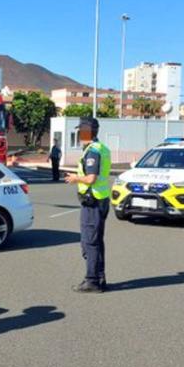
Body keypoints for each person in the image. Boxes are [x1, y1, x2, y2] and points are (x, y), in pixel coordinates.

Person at [64, 117, 111, 293]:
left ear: (86, 131)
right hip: (101, 199)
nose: (79, 135)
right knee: (97, 241)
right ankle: (100, 277)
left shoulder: (92, 151)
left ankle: (91, 280)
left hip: (92, 201)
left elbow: (91, 178)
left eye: (81, 131)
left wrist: (75, 178)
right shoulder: (102, 148)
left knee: (89, 242)